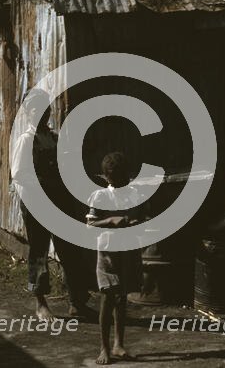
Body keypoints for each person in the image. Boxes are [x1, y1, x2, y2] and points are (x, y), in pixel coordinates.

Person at [11, 88, 93, 321]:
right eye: (36, 108)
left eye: (45, 108)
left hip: (61, 201)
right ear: (27, 112)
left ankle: (77, 302)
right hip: (37, 203)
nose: (42, 113)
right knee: (39, 252)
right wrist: (44, 185)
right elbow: (18, 174)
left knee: (71, 250)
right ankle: (40, 303)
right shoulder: (26, 140)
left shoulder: (55, 138)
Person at [85, 152, 148, 365]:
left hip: (127, 250)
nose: (121, 184)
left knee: (122, 297)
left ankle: (119, 344)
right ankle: (104, 347)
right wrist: (111, 220)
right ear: (107, 178)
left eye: (124, 180)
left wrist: (135, 223)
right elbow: (90, 224)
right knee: (108, 297)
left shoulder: (133, 195)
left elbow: (139, 218)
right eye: (115, 180)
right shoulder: (100, 196)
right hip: (108, 254)